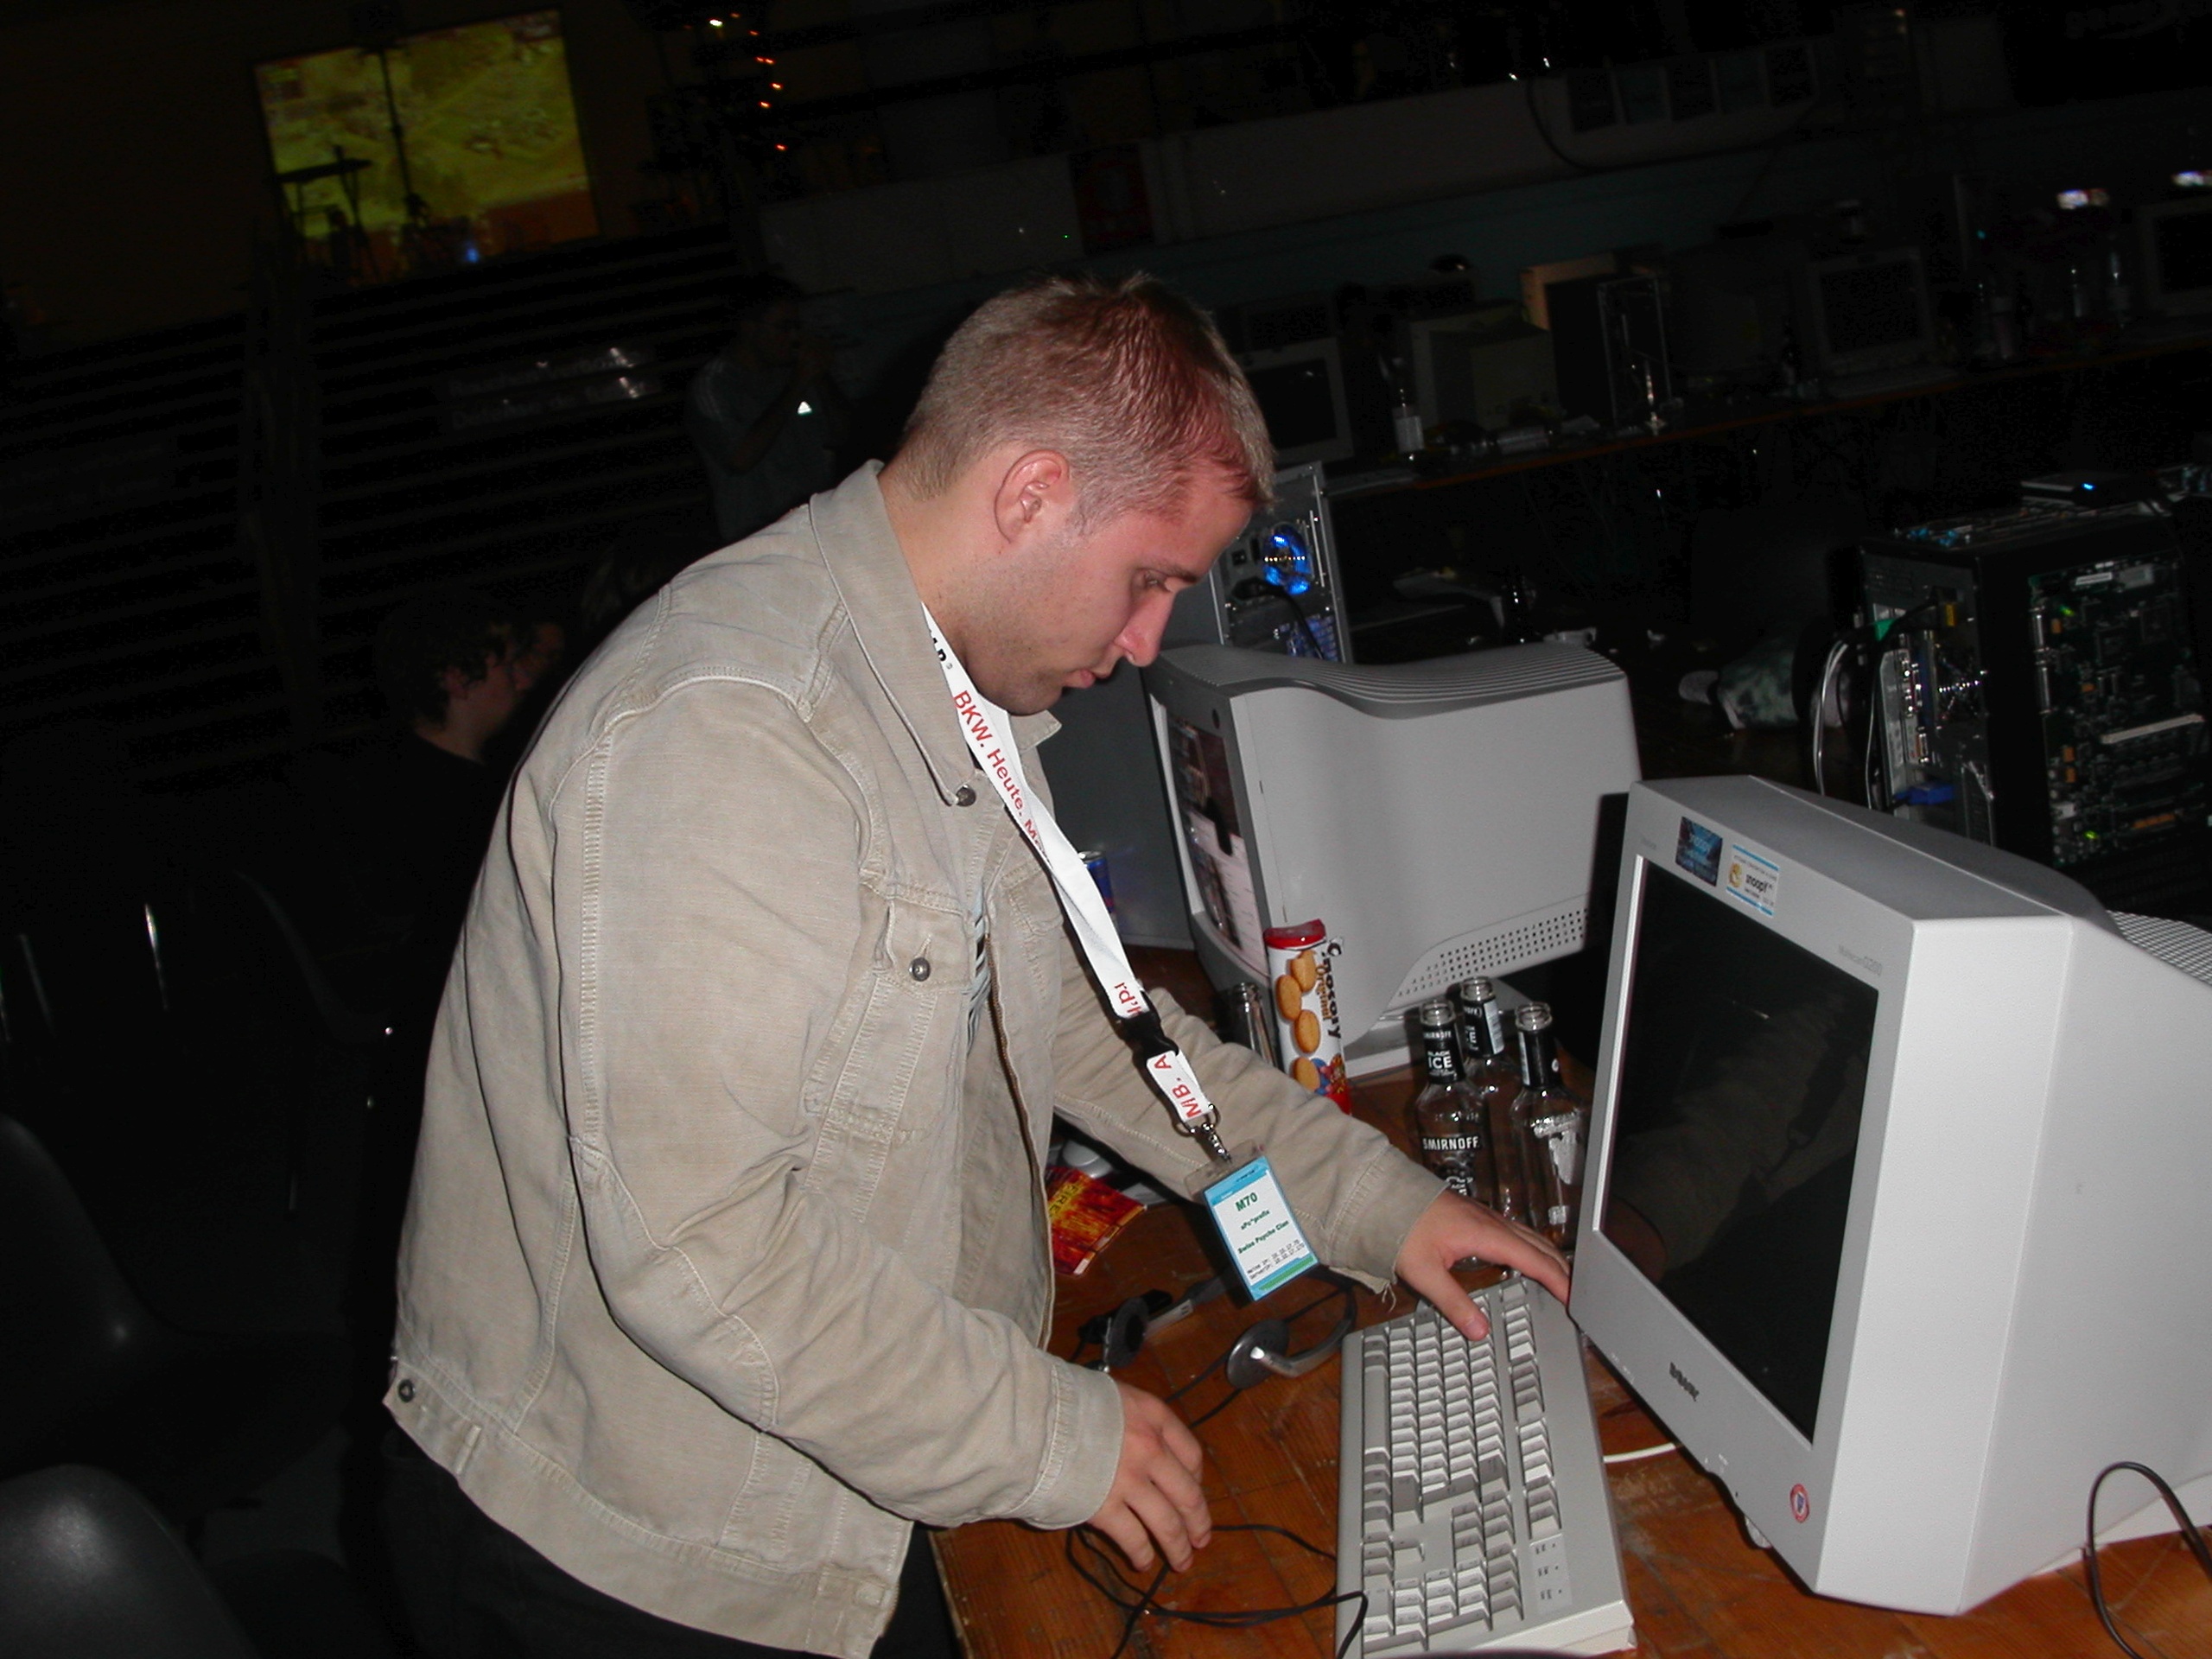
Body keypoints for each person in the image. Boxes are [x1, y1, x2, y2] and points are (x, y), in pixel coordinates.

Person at [383, 273, 1570, 1659]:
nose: (1145, 644)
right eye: (1149, 580)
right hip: (629, 1550)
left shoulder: (939, 687)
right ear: (1031, 494)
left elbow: (1080, 1024)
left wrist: (1372, 1201)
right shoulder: (731, 733)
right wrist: (1048, 1437)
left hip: (806, 1438)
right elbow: (700, 1246)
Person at [687, 274, 851, 545]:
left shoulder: (794, 372)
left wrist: (821, 376)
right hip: (756, 535)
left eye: (798, 327)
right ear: (749, 328)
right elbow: (740, 458)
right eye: (784, 327)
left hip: (814, 525)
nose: (794, 337)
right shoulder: (715, 385)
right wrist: (797, 385)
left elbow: (842, 435)